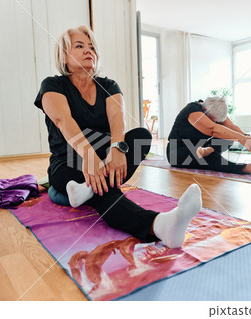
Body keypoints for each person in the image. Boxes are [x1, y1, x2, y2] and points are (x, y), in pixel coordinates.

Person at [34, 26, 202, 248]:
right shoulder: (52, 85)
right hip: (68, 163)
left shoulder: (109, 86)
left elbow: (117, 120)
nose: (89, 51)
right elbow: (63, 121)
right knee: (106, 191)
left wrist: (117, 149)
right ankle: (159, 225)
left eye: (92, 46)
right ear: (64, 56)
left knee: (141, 136)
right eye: (79, 46)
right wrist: (89, 157)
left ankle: (87, 189)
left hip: (106, 159)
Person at [166, 96, 251, 175]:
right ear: (204, 110)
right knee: (206, 157)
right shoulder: (193, 111)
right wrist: (241, 139)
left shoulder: (213, 110)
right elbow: (212, 129)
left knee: (229, 136)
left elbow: (231, 126)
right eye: (214, 120)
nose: (216, 122)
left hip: (201, 146)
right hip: (178, 151)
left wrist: (246, 137)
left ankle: (209, 150)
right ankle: (247, 168)